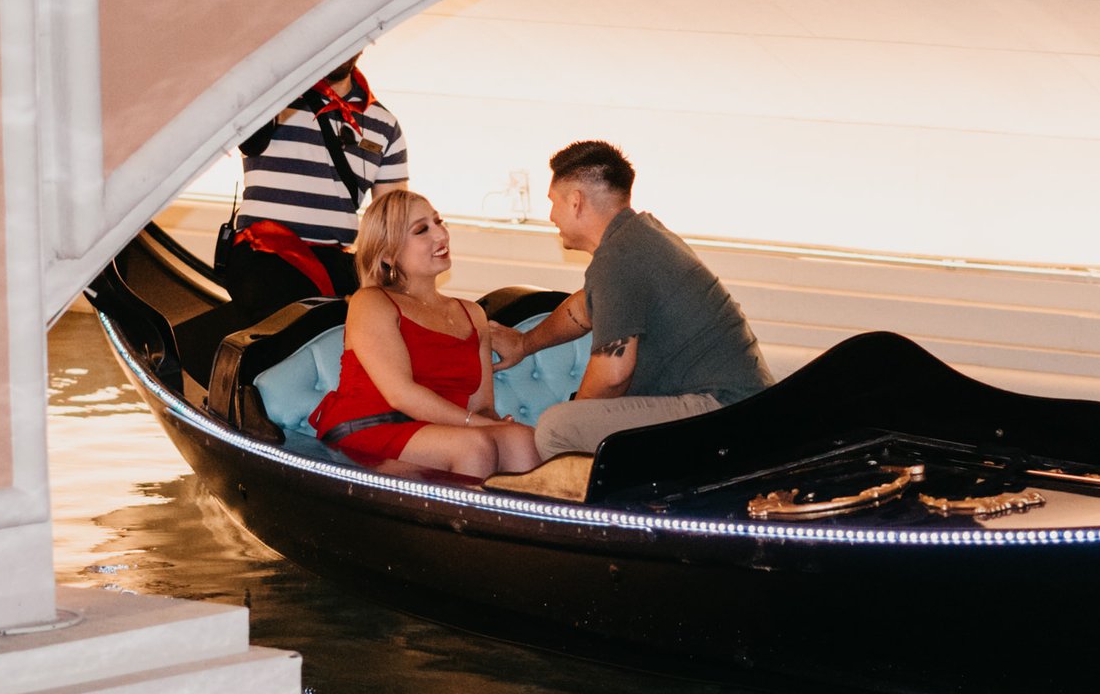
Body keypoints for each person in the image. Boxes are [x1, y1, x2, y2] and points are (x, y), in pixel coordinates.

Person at [501, 141, 772, 457]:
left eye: (553, 202)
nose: (551, 216)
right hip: (743, 406)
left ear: (575, 201)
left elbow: (613, 375)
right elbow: (584, 307)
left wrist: (580, 416)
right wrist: (524, 343)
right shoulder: (641, 236)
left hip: (719, 409)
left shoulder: (617, 259)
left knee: (558, 427)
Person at [307, 190, 541, 478]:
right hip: (373, 425)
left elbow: (481, 407)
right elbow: (401, 395)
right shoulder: (371, 301)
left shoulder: (472, 314)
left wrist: (496, 425)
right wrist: (479, 427)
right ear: (388, 255)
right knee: (473, 447)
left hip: (447, 431)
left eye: (439, 222)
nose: (441, 235)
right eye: (422, 230)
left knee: (523, 439)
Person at [218, 54, 407, 309]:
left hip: (335, 263)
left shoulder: (385, 124)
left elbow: (392, 218)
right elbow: (249, 140)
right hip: (265, 253)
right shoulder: (275, 97)